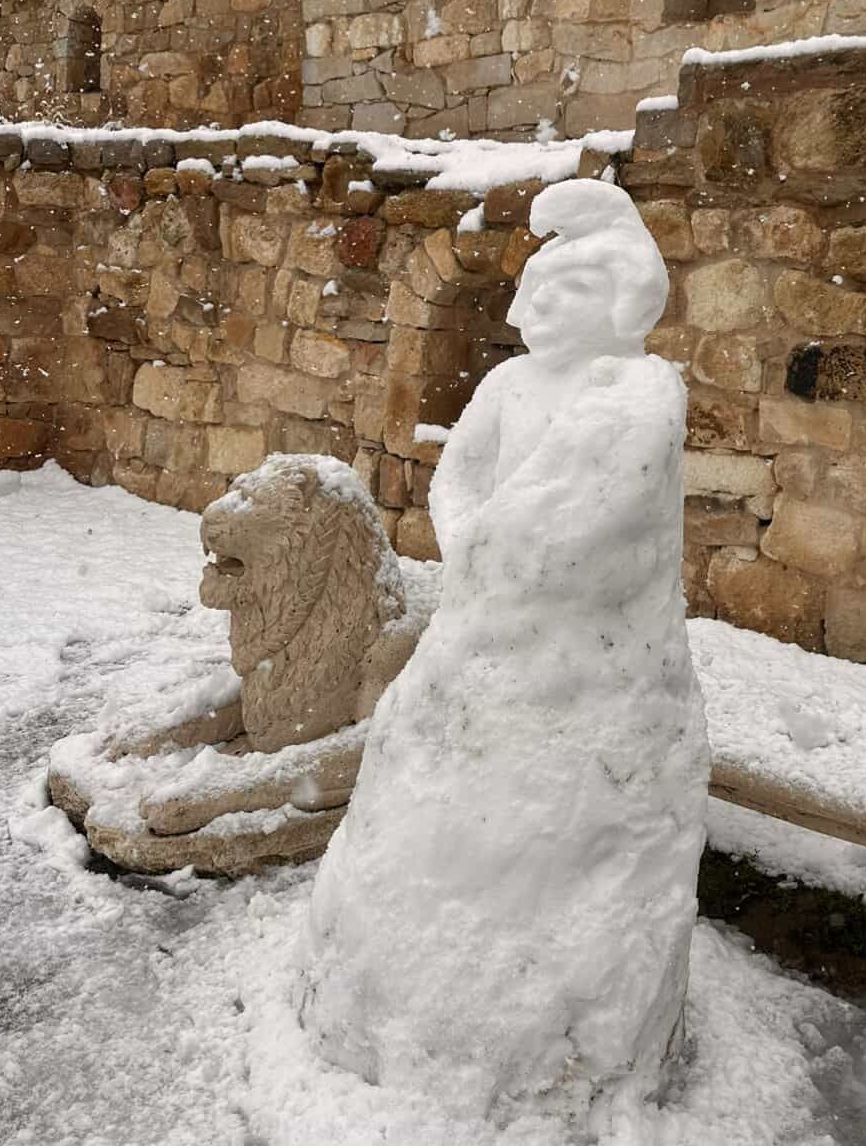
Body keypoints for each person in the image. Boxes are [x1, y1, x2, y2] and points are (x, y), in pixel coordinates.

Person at [298, 178, 709, 1136]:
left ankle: (559, 1044)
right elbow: (460, 476)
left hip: (586, 660)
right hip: (481, 636)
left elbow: (596, 519)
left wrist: (505, 552)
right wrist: (472, 537)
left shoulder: (638, 392)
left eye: (557, 295)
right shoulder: (508, 385)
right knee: (442, 809)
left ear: (610, 303)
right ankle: (397, 1000)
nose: (528, 313)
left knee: (562, 836)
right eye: (528, 295)